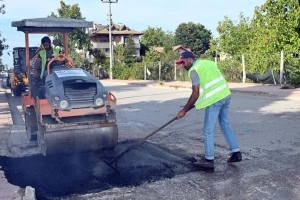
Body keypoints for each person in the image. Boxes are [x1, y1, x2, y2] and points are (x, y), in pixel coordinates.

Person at [176, 51, 242, 169]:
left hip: (215, 100)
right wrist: (187, 107)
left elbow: (195, 93)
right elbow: (207, 87)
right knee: (225, 124)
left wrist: (184, 110)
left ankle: (209, 160)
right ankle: (236, 152)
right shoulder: (208, 63)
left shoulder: (194, 70)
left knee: (208, 129)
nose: (183, 65)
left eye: (183, 62)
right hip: (225, 95)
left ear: (191, 59)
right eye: (181, 63)